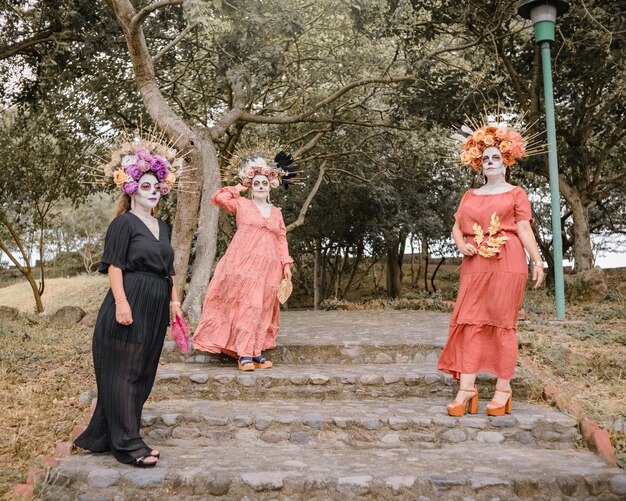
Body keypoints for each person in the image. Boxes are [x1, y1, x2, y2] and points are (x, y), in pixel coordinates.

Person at [74, 140, 183, 467]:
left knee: (143, 373)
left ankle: (113, 436)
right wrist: (122, 303)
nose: (152, 192)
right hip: (130, 304)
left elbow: (170, 269)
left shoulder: (161, 227)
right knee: (125, 373)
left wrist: (175, 302)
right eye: (145, 186)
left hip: (156, 307)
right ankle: (128, 445)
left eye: (156, 187)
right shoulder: (123, 225)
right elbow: (115, 266)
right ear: (132, 189)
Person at [437, 121, 545, 417]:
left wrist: (537, 260)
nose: (490, 162)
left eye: (496, 157)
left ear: (506, 161)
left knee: (501, 324)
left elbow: (523, 228)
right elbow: (456, 228)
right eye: (485, 158)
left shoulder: (516, 194)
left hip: (508, 263)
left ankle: (503, 390)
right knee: (470, 321)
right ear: (479, 164)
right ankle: (467, 390)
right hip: (475, 264)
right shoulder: (470, 195)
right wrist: (461, 245)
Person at [193, 151, 296, 371]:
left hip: (270, 268)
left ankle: (256, 351)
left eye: (264, 183)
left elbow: (281, 238)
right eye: (256, 183)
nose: (260, 186)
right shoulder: (242, 205)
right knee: (247, 306)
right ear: (251, 185)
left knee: (263, 308)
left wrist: (286, 264)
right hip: (243, 263)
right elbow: (219, 197)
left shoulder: (276, 212)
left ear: (271, 186)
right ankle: (243, 353)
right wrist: (241, 186)